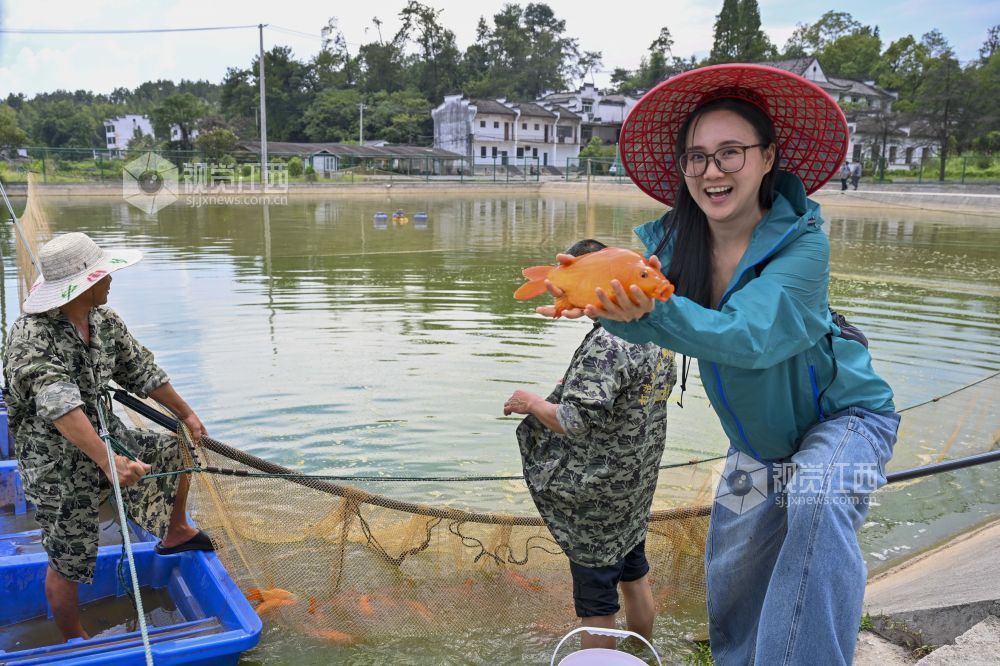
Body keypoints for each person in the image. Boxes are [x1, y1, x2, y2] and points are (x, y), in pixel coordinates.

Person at [539, 65, 899, 665]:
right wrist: (596, 298)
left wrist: (652, 311)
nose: (712, 171)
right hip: (755, 445)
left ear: (767, 157)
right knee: (733, 571)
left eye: (731, 152)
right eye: (697, 157)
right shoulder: (675, 250)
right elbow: (643, 310)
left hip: (848, 422)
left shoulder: (805, 246)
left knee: (816, 496)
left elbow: (749, 338)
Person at [3, 232, 214, 641]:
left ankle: (176, 531)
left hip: (106, 435)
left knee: (175, 447)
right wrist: (107, 462)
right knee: (69, 556)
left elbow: (141, 370)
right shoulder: (30, 338)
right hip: (56, 462)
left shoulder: (103, 320)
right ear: (82, 286)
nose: (111, 280)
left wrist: (186, 413)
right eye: (103, 275)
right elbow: (61, 408)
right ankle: (74, 639)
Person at [503, 239, 676, 650]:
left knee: (597, 601)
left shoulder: (607, 342)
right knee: (634, 574)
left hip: (598, 495)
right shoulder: (658, 333)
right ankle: (641, 655)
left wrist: (531, 402)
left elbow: (574, 420)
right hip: (635, 485)